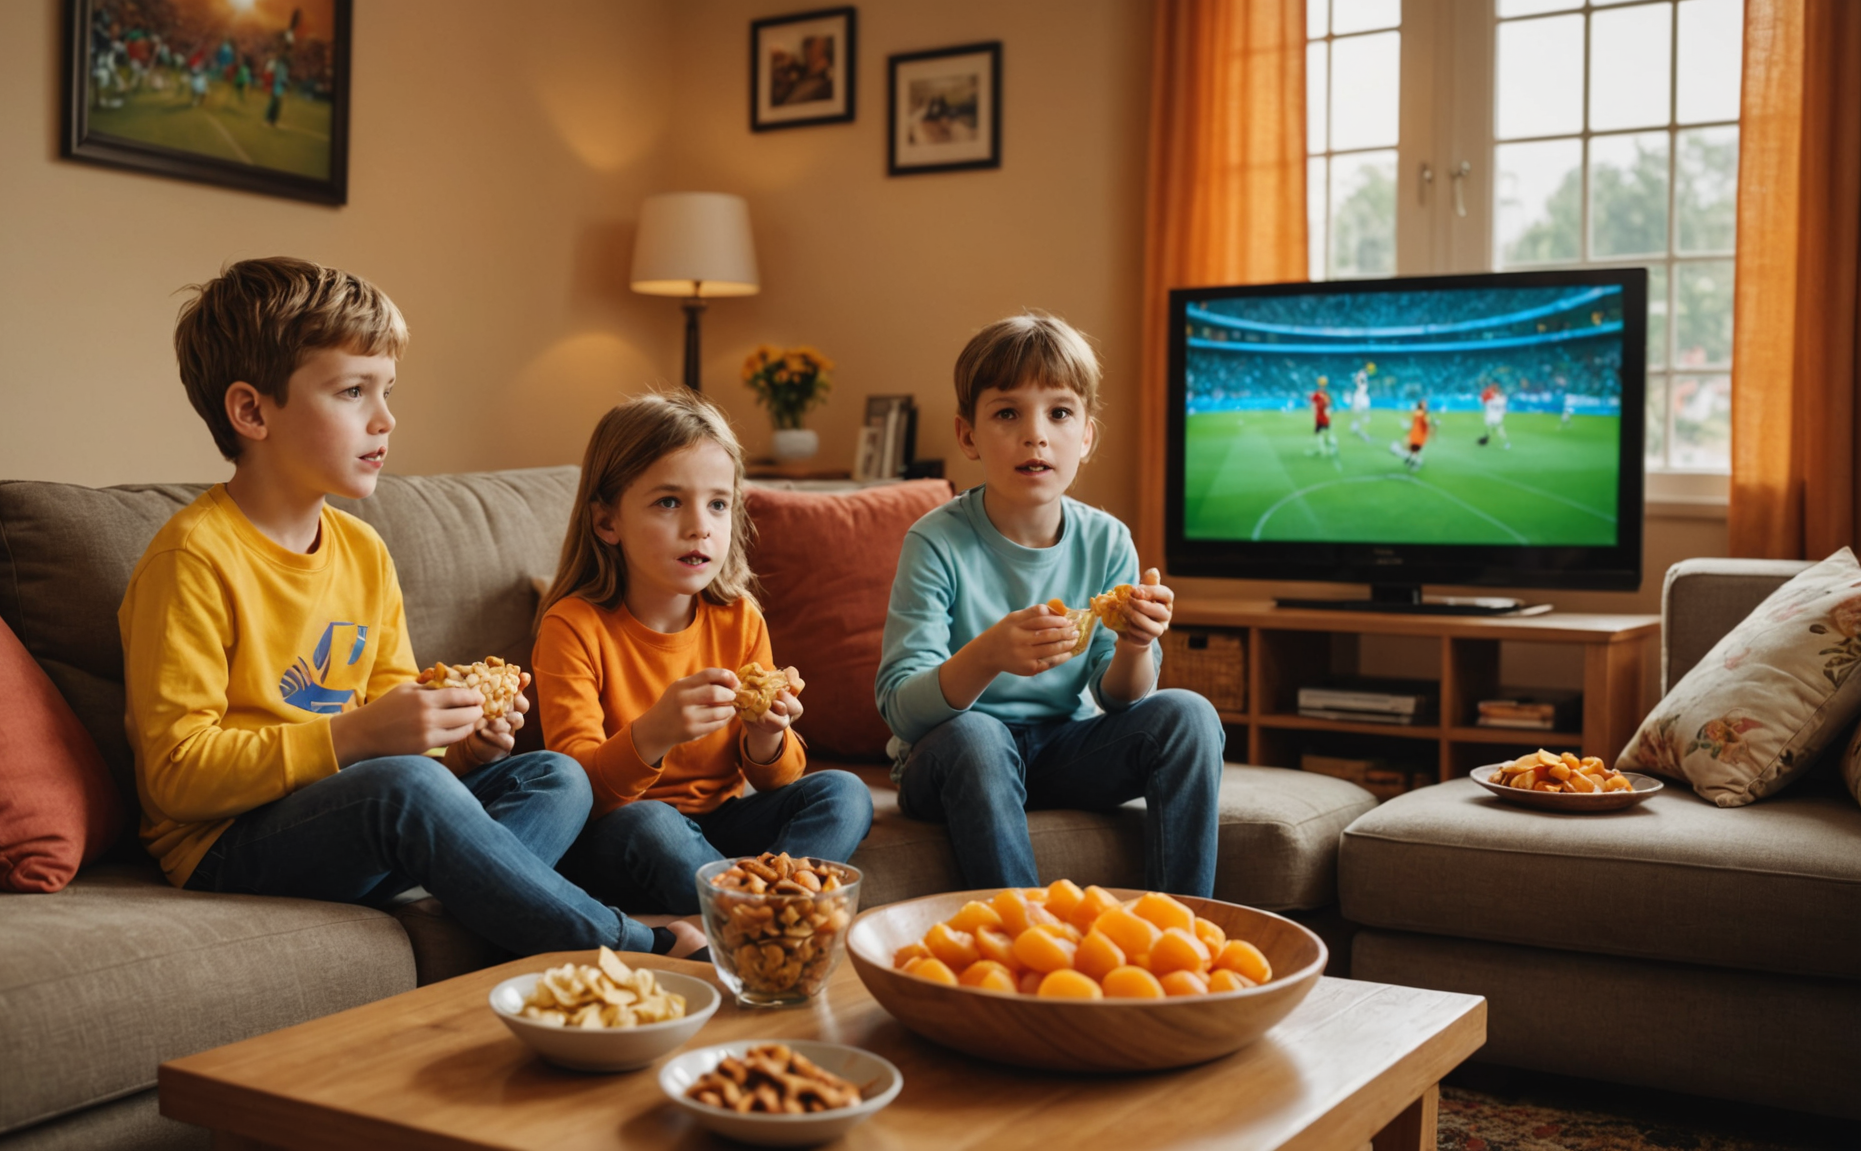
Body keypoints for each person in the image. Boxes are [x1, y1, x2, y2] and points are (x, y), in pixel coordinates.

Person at [119, 257, 702, 959]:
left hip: (370, 815)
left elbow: (401, 730)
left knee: (556, 774)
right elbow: (176, 774)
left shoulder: (363, 551)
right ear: (251, 411)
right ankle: (623, 939)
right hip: (230, 843)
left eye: (387, 390)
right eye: (352, 392)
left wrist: (463, 746)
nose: (385, 418)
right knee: (404, 786)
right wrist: (352, 739)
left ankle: (473, 896)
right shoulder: (193, 559)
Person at [875, 312, 1225, 894]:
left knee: (1189, 714)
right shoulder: (935, 541)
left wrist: (1138, 643)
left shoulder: (1109, 539)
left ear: (1085, 437)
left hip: (1063, 751)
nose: (1035, 434)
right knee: (980, 735)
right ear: (968, 436)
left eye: (1060, 413)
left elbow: (1119, 699)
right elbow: (901, 710)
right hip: (953, 758)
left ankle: (1181, 935)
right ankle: (1026, 937)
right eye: (1007, 413)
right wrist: (986, 655)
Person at [534, 393, 872, 914]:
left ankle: (761, 904)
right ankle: (756, 914)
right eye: (669, 502)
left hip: (722, 820)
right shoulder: (573, 626)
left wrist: (767, 736)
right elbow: (581, 793)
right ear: (607, 522)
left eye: (717, 504)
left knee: (844, 794)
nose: (700, 526)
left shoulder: (739, 618)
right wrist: (655, 732)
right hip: (620, 830)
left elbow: (778, 779)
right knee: (652, 823)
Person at [1393, 398, 1432, 470]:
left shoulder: (1419, 413)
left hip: (1417, 435)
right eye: (1424, 404)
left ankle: (1410, 460)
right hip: (1418, 435)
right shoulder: (1421, 413)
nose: (1425, 406)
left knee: (1414, 450)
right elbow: (1426, 424)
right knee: (1414, 450)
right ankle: (1412, 462)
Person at [1306, 376, 1337, 457]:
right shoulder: (1326, 394)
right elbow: (1329, 406)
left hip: (1321, 418)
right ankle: (1326, 449)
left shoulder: (1319, 394)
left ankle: (1325, 450)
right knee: (1324, 434)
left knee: (1322, 435)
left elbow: (1311, 402)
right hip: (1323, 418)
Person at [1478, 381, 1511, 448]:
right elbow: (1504, 409)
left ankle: (1488, 440)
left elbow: (1482, 401)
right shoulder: (1503, 398)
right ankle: (1504, 442)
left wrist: (1486, 394)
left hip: (1491, 416)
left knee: (1492, 428)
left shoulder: (1491, 397)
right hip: (1497, 416)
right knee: (1497, 429)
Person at [1349, 366, 1373, 441]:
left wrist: (1365, 371)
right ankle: (1357, 427)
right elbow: (1360, 378)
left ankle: (1361, 430)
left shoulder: (1363, 381)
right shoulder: (1360, 380)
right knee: (1358, 414)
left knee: (1365, 416)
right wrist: (1364, 372)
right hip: (1360, 397)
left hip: (1363, 397)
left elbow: (1362, 377)